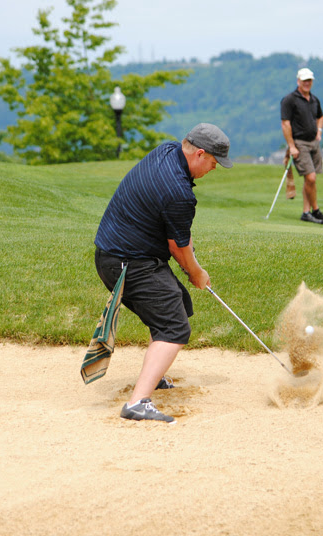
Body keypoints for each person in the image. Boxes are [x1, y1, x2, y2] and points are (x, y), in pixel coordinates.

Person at [94, 123, 232, 424]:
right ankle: (137, 403)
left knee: (175, 303)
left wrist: (192, 261)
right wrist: (196, 272)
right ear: (199, 154)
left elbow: (179, 233)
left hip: (117, 253)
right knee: (174, 328)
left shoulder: (167, 151)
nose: (214, 168)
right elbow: (178, 248)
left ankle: (154, 377)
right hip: (127, 262)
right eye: (214, 162)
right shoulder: (179, 192)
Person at [280, 67, 323, 225]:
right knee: (310, 177)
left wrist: (319, 131)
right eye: (304, 80)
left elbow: (320, 116)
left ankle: (306, 212)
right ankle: (316, 210)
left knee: (310, 180)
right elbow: (285, 124)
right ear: (298, 81)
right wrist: (292, 146)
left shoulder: (314, 100)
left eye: (309, 80)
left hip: (313, 143)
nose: (307, 83)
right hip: (299, 143)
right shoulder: (289, 100)